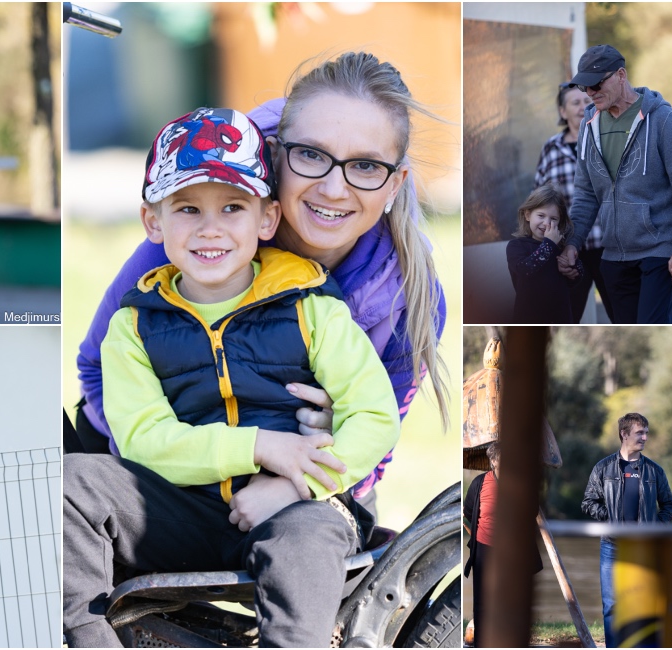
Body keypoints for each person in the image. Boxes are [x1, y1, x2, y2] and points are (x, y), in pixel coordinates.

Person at [65, 106, 401, 648]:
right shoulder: (135, 323)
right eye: (188, 208)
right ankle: (88, 636)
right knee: (70, 482)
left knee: (309, 540)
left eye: (233, 207)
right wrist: (261, 446)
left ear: (267, 219)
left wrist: (299, 481)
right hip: (182, 507)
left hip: (295, 506)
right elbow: (142, 439)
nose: (210, 228)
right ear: (154, 221)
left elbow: (374, 415)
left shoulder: (311, 306)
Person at [71, 51, 450, 512]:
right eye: (311, 155)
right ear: (276, 156)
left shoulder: (410, 295)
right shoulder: (207, 232)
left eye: (366, 166)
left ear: (395, 183)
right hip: (153, 476)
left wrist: (297, 483)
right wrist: (181, 468)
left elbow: (376, 440)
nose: (334, 189)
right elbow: (96, 367)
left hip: (299, 488)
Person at [558, 45, 672, 324]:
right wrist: (573, 241)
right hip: (613, 257)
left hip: (658, 253)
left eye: (597, 84)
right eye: (585, 86)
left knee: (652, 330)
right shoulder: (589, 124)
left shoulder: (663, 119)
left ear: (621, 75)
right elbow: (586, 194)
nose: (590, 92)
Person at [581, 413, 672, 648]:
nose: (645, 437)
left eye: (646, 432)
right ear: (624, 434)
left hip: (645, 546)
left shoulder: (654, 471)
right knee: (612, 605)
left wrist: (656, 526)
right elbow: (588, 502)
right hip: (612, 545)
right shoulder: (603, 468)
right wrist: (610, 518)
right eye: (639, 433)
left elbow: (669, 505)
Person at [535, 83, 610, 322]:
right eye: (575, 103)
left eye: (587, 102)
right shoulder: (551, 148)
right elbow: (540, 196)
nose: (582, 107)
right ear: (562, 111)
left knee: (620, 311)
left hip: (606, 243)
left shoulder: (607, 141)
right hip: (567, 249)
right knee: (566, 315)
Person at [463, 443, 542, 648]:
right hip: (484, 546)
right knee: (482, 599)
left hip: (512, 548)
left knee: (513, 598)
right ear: (494, 461)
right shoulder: (480, 483)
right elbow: (469, 510)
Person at [506, 183, 584, 323]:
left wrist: (572, 268)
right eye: (541, 215)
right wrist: (549, 244)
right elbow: (524, 270)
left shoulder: (561, 248)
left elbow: (577, 279)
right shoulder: (516, 246)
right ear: (528, 214)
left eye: (553, 219)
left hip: (560, 319)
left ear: (560, 222)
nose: (546, 223)